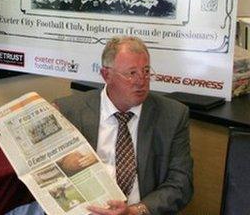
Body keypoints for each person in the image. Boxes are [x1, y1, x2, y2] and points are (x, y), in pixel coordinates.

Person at [56, 36, 193, 214]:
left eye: (145, 71)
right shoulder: (69, 111)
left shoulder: (172, 115)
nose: (141, 81)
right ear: (107, 75)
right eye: (131, 73)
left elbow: (181, 184)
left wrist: (134, 211)